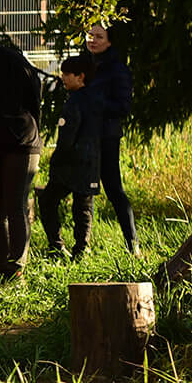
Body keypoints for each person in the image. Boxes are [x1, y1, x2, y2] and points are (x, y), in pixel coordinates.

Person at [0, 33, 44, 280]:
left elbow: (34, 93)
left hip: (21, 140)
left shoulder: (10, 60)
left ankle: (16, 267)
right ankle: (4, 267)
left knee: (14, 203)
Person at [37, 55, 101, 259]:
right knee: (83, 206)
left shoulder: (74, 101)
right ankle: (83, 248)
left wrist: (56, 159)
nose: (62, 77)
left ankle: (56, 246)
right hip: (91, 162)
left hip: (70, 164)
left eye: (66, 74)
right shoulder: (97, 99)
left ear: (80, 76)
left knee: (47, 201)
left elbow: (67, 136)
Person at [83, 23, 139, 254]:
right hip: (84, 136)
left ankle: (132, 243)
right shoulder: (85, 64)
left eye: (99, 36)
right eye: (90, 35)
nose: (93, 40)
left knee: (114, 189)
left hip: (106, 137)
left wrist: (95, 104)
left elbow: (123, 106)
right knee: (83, 190)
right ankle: (81, 246)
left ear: (110, 41)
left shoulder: (117, 69)